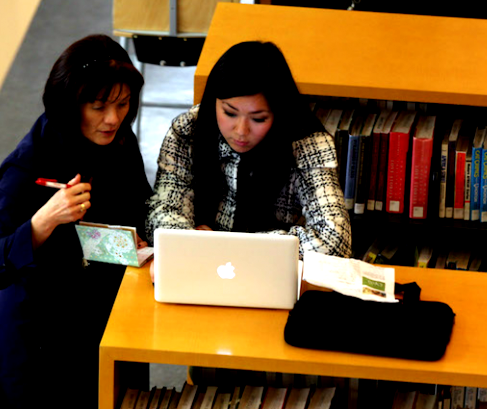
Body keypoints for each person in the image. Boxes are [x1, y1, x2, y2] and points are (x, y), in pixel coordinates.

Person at [0, 34, 151, 408]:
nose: (113, 118)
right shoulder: (27, 165)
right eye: (99, 106)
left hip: (102, 327)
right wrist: (43, 221)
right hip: (39, 348)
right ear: (71, 104)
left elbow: (139, 204)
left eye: (122, 103)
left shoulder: (119, 139)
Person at [145, 41, 352, 280]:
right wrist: (188, 241)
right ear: (214, 100)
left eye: (258, 118)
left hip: (270, 277)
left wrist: (227, 244)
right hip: (202, 272)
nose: (241, 131)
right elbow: (162, 211)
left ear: (279, 112)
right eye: (230, 113)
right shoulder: (188, 130)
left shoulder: (308, 143)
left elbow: (336, 244)